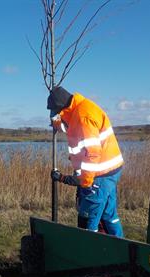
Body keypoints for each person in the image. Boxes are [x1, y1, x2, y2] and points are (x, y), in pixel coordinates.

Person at [48, 86, 125, 237]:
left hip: (99, 175)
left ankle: (91, 254)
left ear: (62, 108)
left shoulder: (83, 116)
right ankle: (122, 250)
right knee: (109, 216)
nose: (57, 116)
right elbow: (71, 127)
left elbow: (93, 153)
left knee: (89, 220)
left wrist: (86, 182)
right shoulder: (78, 109)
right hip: (110, 170)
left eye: (58, 113)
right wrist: (57, 125)